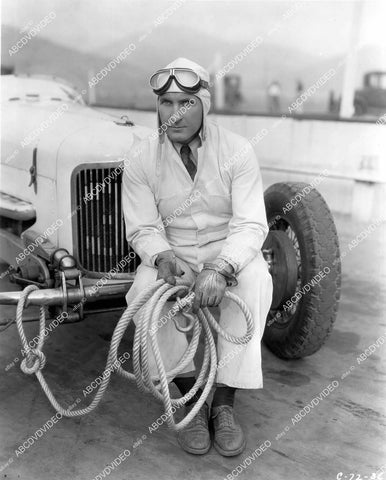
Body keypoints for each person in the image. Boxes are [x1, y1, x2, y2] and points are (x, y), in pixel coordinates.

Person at [122, 58, 273, 457]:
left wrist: (223, 268)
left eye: (186, 103)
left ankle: (223, 404)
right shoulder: (139, 158)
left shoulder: (238, 151)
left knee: (256, 282)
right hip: (174, 253)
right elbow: (143, 228)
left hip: (229, 251)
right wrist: (164, 259)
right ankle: (191, 400)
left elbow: (251, 224)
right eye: (167, 103)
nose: (176, 114)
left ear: (204, 103)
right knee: (145, 293)